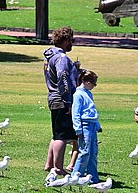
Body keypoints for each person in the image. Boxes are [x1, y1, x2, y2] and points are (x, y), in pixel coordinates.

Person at [43, 26, 80, 175]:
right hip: (61, 99)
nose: (72, 43)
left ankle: (49, 164)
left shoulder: (50, 56)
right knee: (63, 136)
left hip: (52, 97)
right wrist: (68, 101)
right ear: (65, 40)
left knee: (57, 134)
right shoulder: (62, 57)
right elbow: (63, 78)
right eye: (71, 40)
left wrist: (75, 69)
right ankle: (58, 168)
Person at [71, 69, 101, 183]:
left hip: (92, 125)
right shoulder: (78, 94)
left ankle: (93, 177)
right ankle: (76, 176)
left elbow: (92, 110)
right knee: (85, 151)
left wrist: (97, 125)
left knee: (93, 152)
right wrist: (78, 129)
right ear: (87, 82)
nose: (94, 86)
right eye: (94, 84)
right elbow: (76, 113)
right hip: (84, 126)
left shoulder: (89, 93)